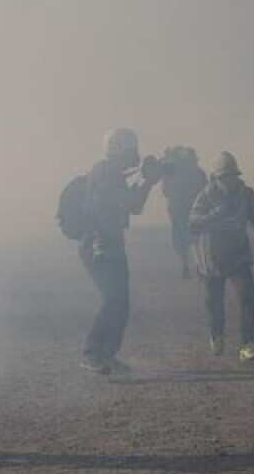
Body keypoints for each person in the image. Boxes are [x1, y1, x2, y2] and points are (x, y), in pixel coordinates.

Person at [80, 127, 161, 375]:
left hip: (110, 243)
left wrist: (146, 179)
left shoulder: (111, 173)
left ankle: (106, 354)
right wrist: (148, 181)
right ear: (117, 150)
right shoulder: (105, 173)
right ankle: (92, 353)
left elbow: (131, 205)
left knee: (120, 302)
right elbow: (133, 204)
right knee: (113, 299)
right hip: (99, 245)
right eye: (130, 150)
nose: (134, 155)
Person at [190, 151, 254, 361]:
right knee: (214, 301)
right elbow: (193, 222)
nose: (229, 181)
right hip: (211, 255)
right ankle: (216, 334)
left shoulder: (246, 194)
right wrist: (218, 212)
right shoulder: (206, 195)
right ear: (215, 178)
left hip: (237, 252)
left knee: (248, 295)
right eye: (224, 177)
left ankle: (247, 344)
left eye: (232, 176)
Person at [160, 146, 208, 279]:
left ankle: (186, 265)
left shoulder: (170, 172)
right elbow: (206, 190)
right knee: (195, 238)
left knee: (181, 239)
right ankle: (199, 265)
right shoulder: (198, 172)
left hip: (177, 210)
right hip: (193, 209)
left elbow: (165, 191)